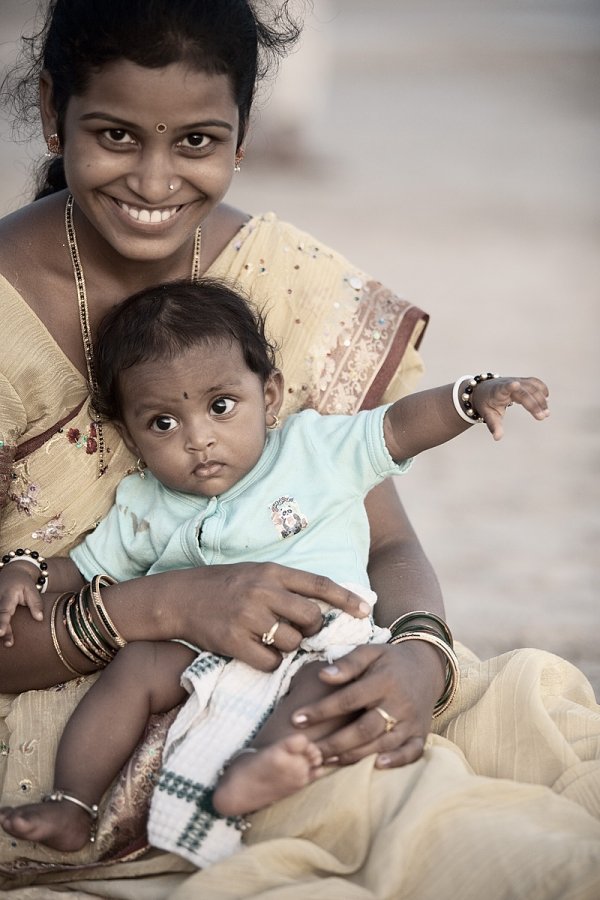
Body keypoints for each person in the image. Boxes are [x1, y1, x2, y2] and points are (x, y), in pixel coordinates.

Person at [0, 1, 598, 897]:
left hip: (320, 675)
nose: (156, 179)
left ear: (243, 137)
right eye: (116, 135)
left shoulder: (285, 281)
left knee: (524, 745)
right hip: (79, 727)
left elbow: (385, 540)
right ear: (54, 112)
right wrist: (160, 607)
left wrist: (417, 658)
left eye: (197, 141)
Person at [0, 278, 550, 866]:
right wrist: (24, 569)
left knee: (331, 682)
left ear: (271, 395)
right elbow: (83, 570)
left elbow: (398, 427)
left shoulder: (314, 448)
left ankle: (255, 769)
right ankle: (73, 803)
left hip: (321, 634)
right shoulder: (143, 504)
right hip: (201, 653)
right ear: (130, 433)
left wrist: (471, 398)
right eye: (163, 423)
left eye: (220, 406)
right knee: (134, 669)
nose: (199, 438)